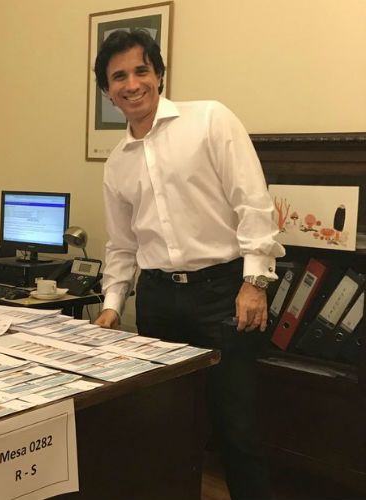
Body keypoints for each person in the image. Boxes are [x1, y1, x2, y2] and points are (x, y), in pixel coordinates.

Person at [92, 30, 284, 499]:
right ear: (107, 91)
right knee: (166, 428)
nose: (131, 83)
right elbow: (121, 245)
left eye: (141, 70)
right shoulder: (117, 163)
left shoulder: (210, 120)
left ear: (159, 74)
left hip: (224, 294)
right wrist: (113, 304)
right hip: (158, 300)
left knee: (236, 428)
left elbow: (252, 203)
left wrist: (254, 281)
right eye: (119, 76)